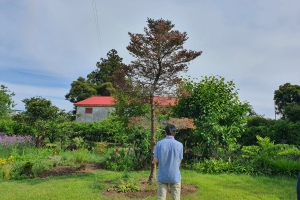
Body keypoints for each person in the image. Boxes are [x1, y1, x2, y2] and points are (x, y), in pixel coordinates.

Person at [153, 124, 183, 200]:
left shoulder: (159, 144)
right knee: (176, 198)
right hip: (175, 176)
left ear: (165, 132)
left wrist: (153, 161)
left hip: (163, 176)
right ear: (175, 133)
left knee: (161, 198)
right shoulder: (180, 145)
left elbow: (155, 161)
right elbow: (180, 160)